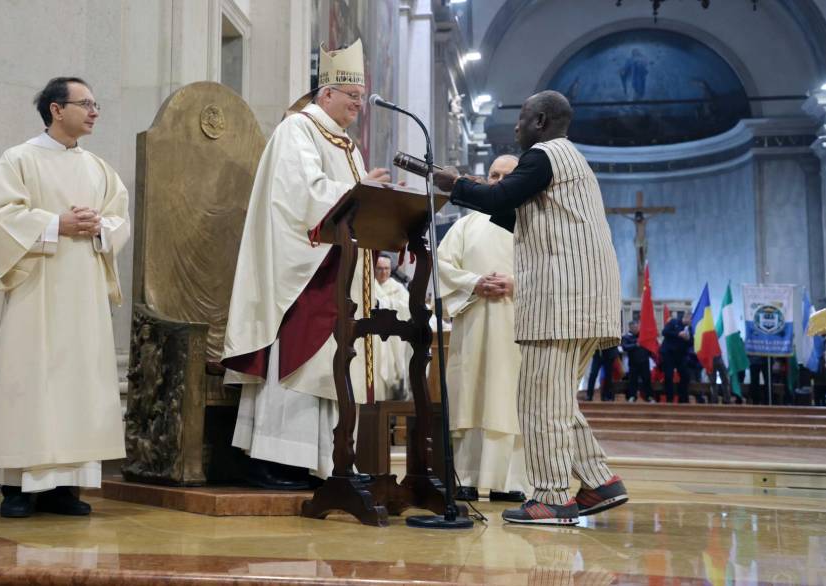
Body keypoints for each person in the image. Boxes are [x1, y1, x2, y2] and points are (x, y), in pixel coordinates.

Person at [432, 91, 628, 525]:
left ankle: (553, 498)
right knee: (553, 399)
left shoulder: (544, 155)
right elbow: (512, 213)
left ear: (539, 120)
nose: (516, 127)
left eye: (520, 119)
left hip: (562, 301)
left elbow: (500, 202)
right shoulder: (568, 161)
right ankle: (599, 481)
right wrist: (472, 191)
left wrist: (456, 186)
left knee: (539, 403)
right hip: (582, 299)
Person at [221, 40, 390, 488]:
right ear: (325, 93)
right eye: (350, 95)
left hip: (338, 270)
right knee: (301, 359)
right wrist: (357, 193)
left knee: (331, 365)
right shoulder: (299, 130)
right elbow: (300, 194)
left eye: (360, 97)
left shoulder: (348, 147)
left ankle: (320, 459)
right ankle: (274, 458)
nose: (358, 103)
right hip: (304, 270)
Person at [0, 77, 131, 518]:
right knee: (28, 381)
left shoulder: (99, 170)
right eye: (86, 103)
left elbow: (118, 219)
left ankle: (65, 487)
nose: (94, 111)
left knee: (78, 384)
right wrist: (57, 224)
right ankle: (18, 487)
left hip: (83, 294)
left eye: (97, 104)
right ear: (57, 109)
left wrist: (100, 228)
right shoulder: (19, 159)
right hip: (34, 290)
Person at [437, 154, 530, 503]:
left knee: (509, 399)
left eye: (507, 176)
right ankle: (467, 477)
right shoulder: (465, 225)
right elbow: (442, 266)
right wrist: (474, 283)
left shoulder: (532, 224)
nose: (498, 181)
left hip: (516, 327)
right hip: (474, 324)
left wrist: (515, 284)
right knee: (470, 398)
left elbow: (552, 273)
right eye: (493, 174)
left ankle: (510, 481)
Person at [374, 253, 411, 400]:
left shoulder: (398, 288)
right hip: (375, 335)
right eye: (379, 268)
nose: (383, 272)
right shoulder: (368, 286)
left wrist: (386, 303)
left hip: (394, 336)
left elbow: (407, 309)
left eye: (386, 269)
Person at [660, 316, 692, 403]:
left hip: (681, 355)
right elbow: (664, 332)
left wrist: (688, 339)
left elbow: (691, 343)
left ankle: (683, 398)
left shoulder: (689, 328)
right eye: (689, 319)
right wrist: (678, 334)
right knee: (668, 376)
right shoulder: (673, 322)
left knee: (685, 375)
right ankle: (669, 398)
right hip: (668, 354)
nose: (690, 321)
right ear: (685, 317)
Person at [622, 320, 653, 402]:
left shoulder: (643, 337)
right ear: (630, 328)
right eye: (634, 327)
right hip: (633, 362)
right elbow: (625, 347)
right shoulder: (626, 337)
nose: (636, 329)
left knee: (646, 379)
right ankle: (632, 396)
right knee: (633, 380)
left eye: (637, 327)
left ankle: (649, 396)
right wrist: (636, 345)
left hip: (644, 361)